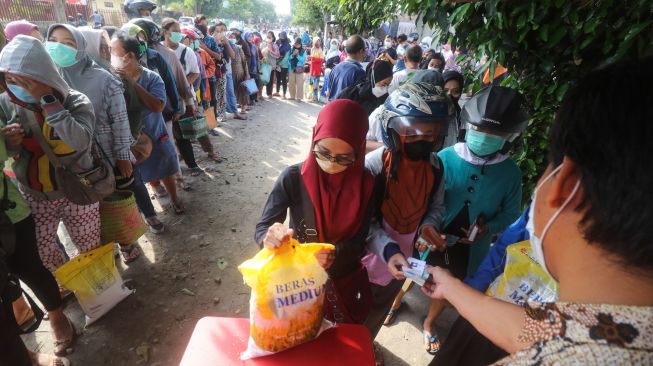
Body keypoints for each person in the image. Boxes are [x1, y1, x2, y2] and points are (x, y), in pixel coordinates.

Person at [423, 58, 653, 365]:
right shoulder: (608, 330)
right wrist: (454, 288)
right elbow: (543, 331)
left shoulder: (510, 175)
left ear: (567, 184)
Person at [256, 99, 399, 329]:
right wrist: (271, 239)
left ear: (359, 150)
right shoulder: (293, 178)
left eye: (344, 158)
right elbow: (264, 228)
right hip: (296, 285)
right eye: (323, 152)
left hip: (343, 282)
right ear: (314, 138)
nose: (332, 163)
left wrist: (333, 253)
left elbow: (362, 237)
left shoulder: (368, 185)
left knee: (335, 343)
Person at [414, 85, 526, 354]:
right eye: (478, 130)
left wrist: (489, 227)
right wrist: (423, 228)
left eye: (494, 134)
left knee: (446, 284)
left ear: (510, 137)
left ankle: (429, 324)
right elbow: (422, 201)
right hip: (431, 237)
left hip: (469, 247)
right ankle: (393, 303)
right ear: (466, 126)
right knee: (410, 272)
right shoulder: (444, 158)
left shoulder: (511, 174)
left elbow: (511, 214)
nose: (484, 137)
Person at [0, 35, 101, 280]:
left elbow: (80, 141)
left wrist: (49, 102)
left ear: (44, 76)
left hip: (78, 190)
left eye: (26, 81)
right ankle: (67, 283)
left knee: (88, 243)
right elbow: (6, 154)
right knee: (44, 250)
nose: (17, 87)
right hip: (35, 194)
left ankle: (99, 286)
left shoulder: (75, 101)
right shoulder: (6, 104)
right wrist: (9, 143)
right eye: (10, 80)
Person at [46, 24, 146, 261]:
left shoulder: (104, 79)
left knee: (114, 200)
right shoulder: (49, 78)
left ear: (81, 47)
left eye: (68, 43)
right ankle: (105, 246)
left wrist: (123, 155)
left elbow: (120, 119)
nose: (59, 47)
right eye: (54, 40)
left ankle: (126, 242)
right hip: (71, 159)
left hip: (106, 153)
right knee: (88, 207)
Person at [361, 82, 452, 339]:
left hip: (404, 263)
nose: (424, 140)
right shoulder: (373, 167)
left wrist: (428, 226)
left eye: (432, 133)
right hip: (368, 260)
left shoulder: (435, 166)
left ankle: (367, 346)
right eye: (413, 133)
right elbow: (362, 222)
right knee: (356, 311)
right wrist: (388, 249)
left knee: (379, 312)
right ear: (393, 131)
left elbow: (436, 207)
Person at [0, 71, 76, 362]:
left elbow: (79, 138)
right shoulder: (6, 101)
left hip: (9, 209)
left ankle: (56, 317)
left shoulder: (68, 96)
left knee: (29, 266)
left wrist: (9, 143)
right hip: (32, 188)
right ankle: (23, 345)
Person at [79, 27, 166, 235]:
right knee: (104, 192)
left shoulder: (114, 77)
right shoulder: (65, 79)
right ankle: (120, 235)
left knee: (132, 182)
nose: (106, 53)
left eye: (107, 48)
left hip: (122, 144)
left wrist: (125, 148)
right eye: (101, 48)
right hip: (88, 150)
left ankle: (146, 216)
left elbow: (132, 113)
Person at [111, 31, 185, 214]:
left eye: (114, 51)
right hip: (131, 137)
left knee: (165, 167)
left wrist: (132, 83)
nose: (110, 55)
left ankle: (174, 199)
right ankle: (154, 192)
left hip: (155, 130)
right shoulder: (112, 78)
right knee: (141, 170)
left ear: (129, 56)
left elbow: (158, 106)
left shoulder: (152, 77)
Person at [327, 35, 367, 101]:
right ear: (361, 51)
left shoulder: (335, 68)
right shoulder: (360, 73)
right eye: (365, 49)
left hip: (332, 108)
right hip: (347, 110)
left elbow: (328, 93)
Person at [227, 30, 250, 116]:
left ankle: (243, 106)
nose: (231, 39)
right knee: (233, 91)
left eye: (233, 37)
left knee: (243, 90)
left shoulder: (239, 48)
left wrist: (247, 74)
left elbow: (244, 61)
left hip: (240, 72)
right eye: (230, 37)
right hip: (230, 73)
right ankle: (235, 107)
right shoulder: (224, 48)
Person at [261, 31, 280, 98]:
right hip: (263, 64)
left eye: (270, 36)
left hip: (271, 66)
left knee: (270, 80)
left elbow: (277, 55)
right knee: (262, 79)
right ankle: (260, 94)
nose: (268, 37)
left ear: (273, 37)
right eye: (267, 36)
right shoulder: (263, 44)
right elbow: (260, 53)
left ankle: (269, 94)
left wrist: (270, 51)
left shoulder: (275, 45)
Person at [287, 37, 307, 102]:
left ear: (300, 44)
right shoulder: (291, 49)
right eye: (296, 44)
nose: (297, 45)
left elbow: (303, 60)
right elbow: (288, 59)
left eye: (298, 44)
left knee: (300, 83)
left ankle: (299, 97)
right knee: (291, 83)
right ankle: (292, 96)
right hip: (291, 68)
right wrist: (293, 55)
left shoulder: (303, 51)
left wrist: (298, 55)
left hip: (299, 68)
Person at [274, 31, 291, 98]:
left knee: (283, 79)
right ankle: (277, 92)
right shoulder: (277, 43)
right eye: (280, 36)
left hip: (284, 65)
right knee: (278, 79)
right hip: (277, 64)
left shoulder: (288, 46)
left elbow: (286, 57)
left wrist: (279, 64)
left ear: (285, 36)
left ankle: (284, 94)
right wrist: (276, 63)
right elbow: (274, 52)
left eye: (283, 36)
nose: (281, 37)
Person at [308, 37, 324, 102]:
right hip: (312, 69)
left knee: (315, 86)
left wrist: (313, 58)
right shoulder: (312, 49)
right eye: (317, 42)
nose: (318, 43)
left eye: (319, 42)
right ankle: (310, 97)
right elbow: (311, 60)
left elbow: (321, 60)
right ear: (314, 42)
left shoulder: (320, 50)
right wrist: (311, 58)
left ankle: (315, 98)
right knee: (311, 84)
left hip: (317, 70)